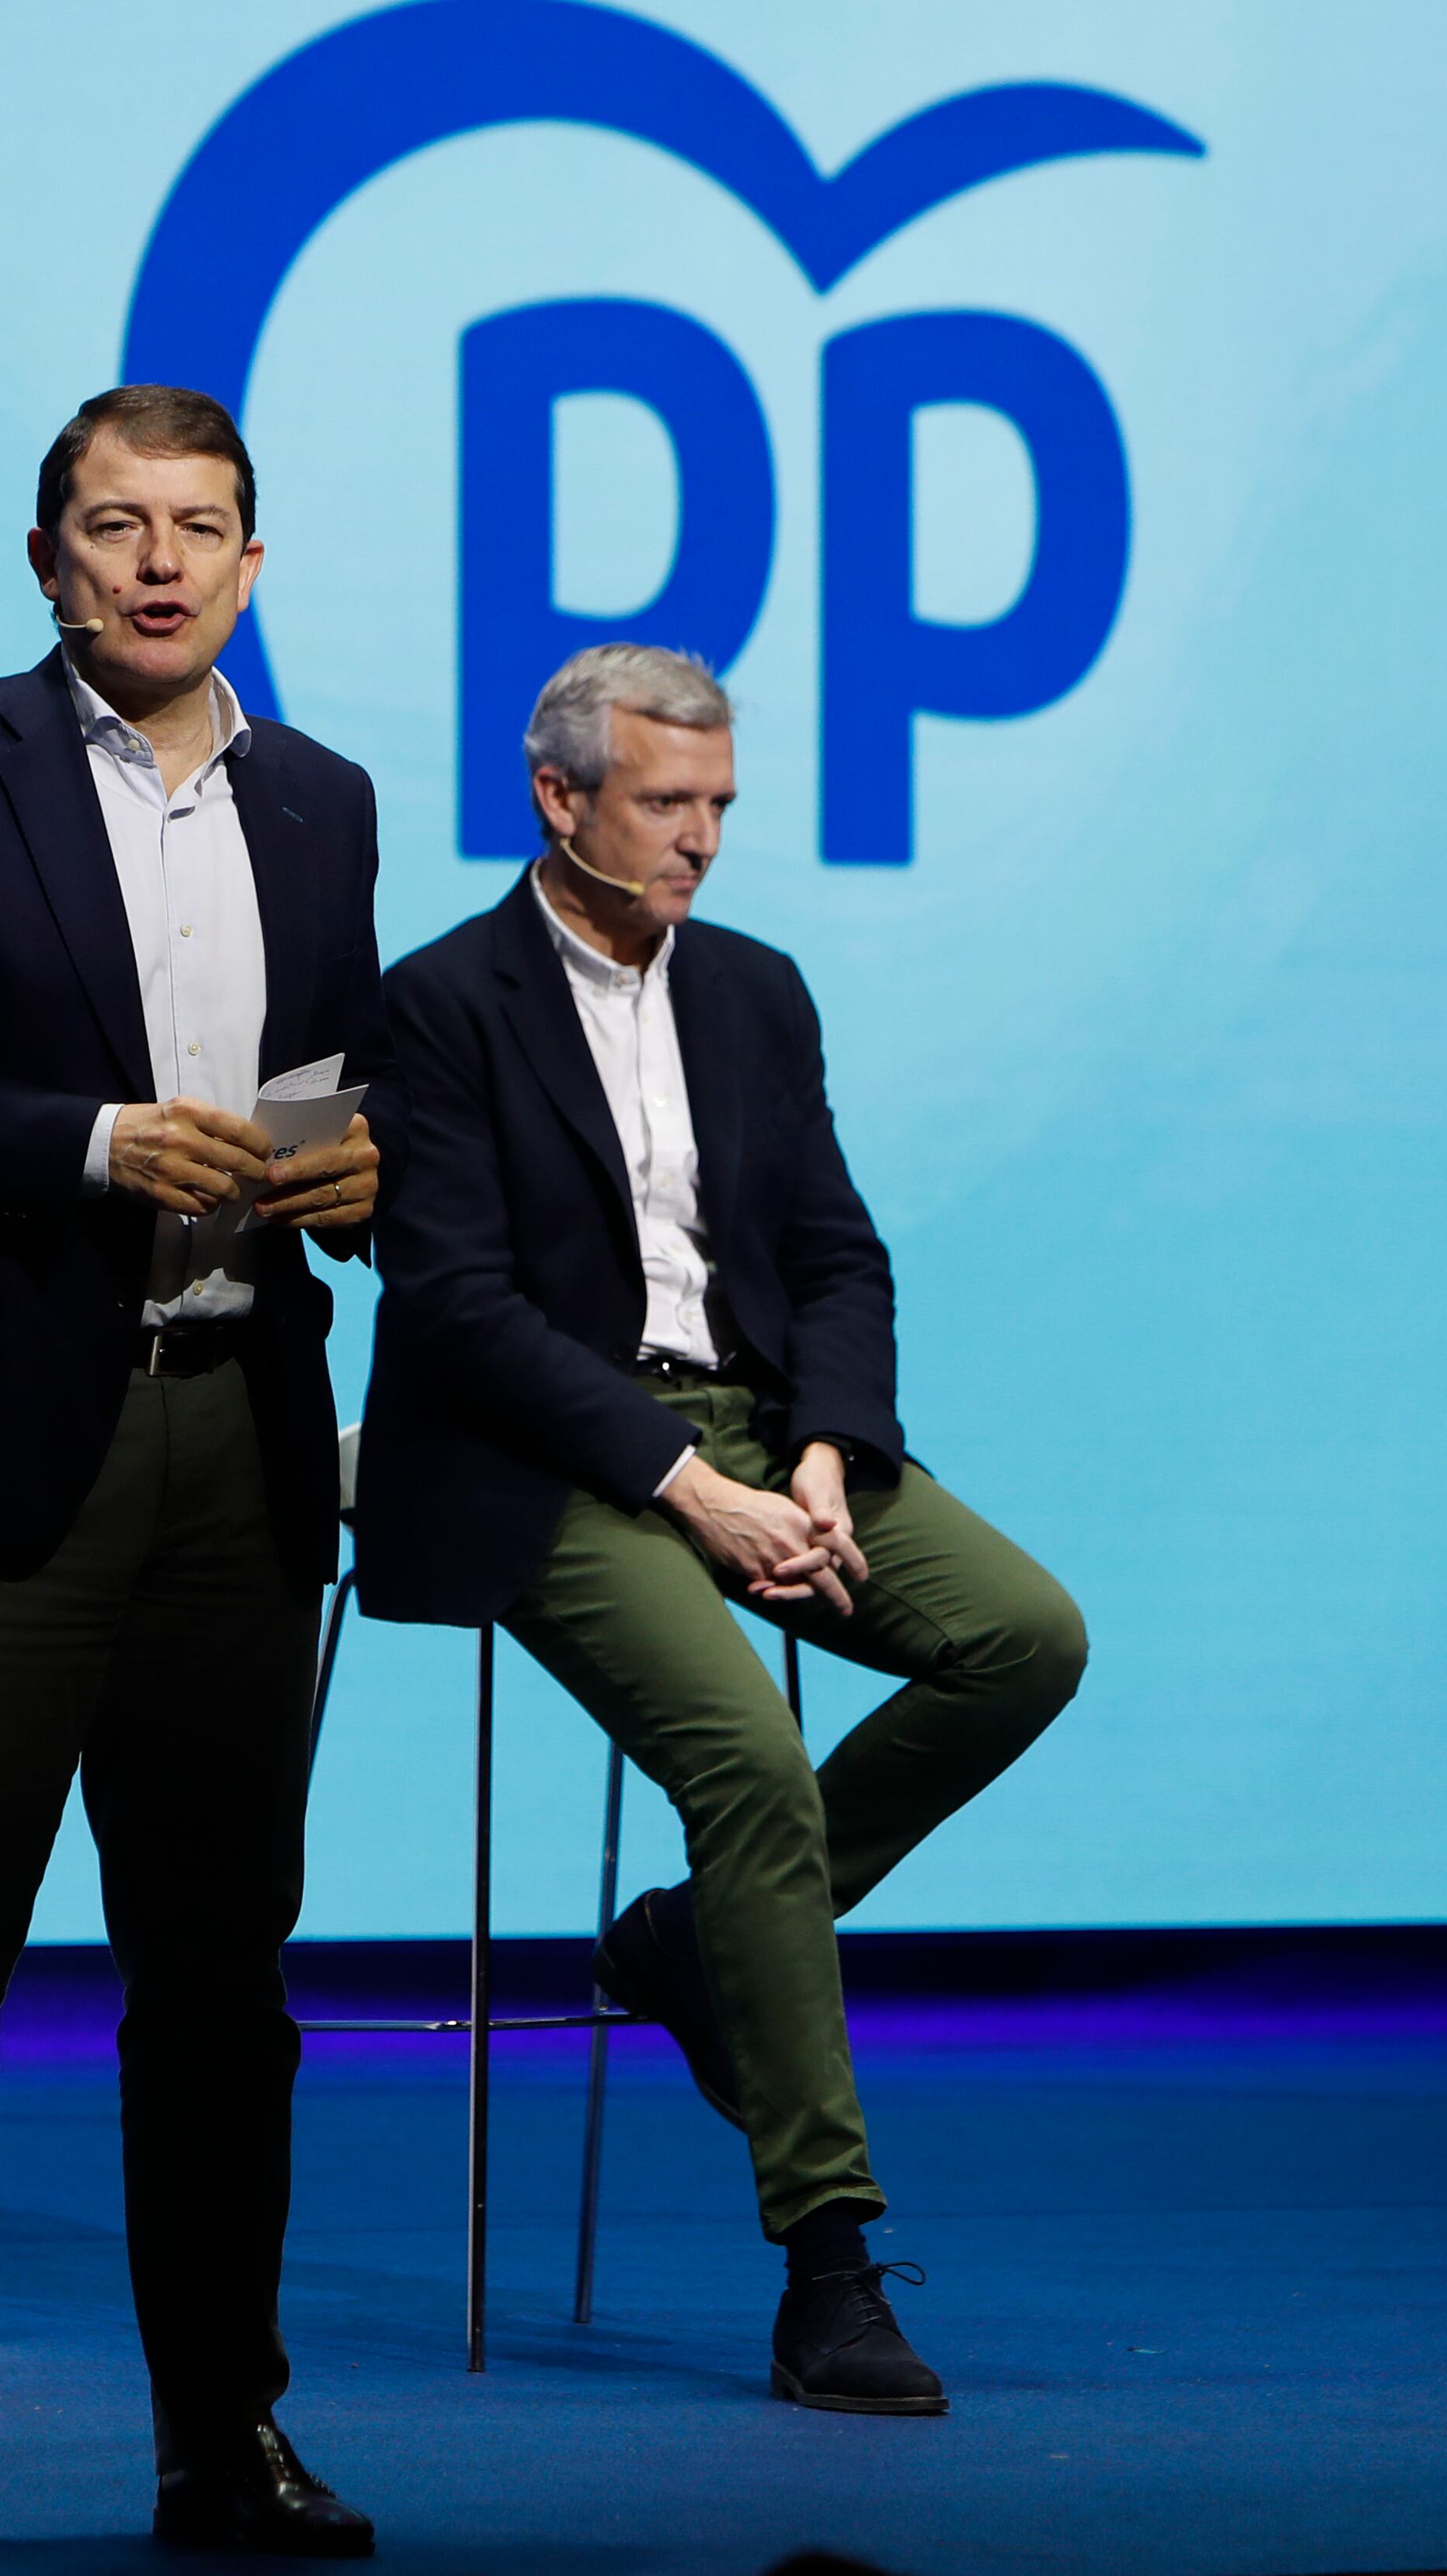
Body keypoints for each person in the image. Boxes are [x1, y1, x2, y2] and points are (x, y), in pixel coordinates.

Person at [0, 386, 385, 2561]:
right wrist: (92, 1141)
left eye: (200, 527)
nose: (159, 562)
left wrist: (354, 1170)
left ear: (252, 563)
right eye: (116, 527)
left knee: (223, 1975)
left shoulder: (323, 802)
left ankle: (227, 2433)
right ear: (49, 559)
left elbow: (321, 1089)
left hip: (239, 1428)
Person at [354, 643, 1088, 2416]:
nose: (699, 841)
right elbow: (453, 1304)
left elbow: (834, 1252)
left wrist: (826, 1451)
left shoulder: (755, 989)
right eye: (665, 805)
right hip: (545, 1453)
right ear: (560, 799)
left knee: (1026, 1636)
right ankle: (826, 2264)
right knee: (751, 1761)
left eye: (718, 808)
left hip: (762, 1427)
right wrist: (688, 1490)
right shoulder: (438, 1001)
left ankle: (705, 1944)